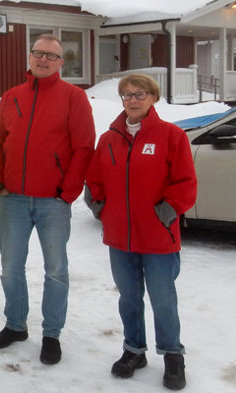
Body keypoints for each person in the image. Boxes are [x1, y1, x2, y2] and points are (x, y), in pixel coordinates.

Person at [0, 33, 95, 365]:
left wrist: (69, 192)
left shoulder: (74, 98)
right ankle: (16, 325)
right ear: (29, 58)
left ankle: (52, 334)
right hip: (14, 199)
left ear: (61, 63)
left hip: (53, 201)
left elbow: (83, 147)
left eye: (51, 56)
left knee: (56, 270)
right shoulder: (11, 97)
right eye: (38, 53)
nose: (43, 59)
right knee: (9, 268)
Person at [85, 74, 196, 391]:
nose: (133, 100)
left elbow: (185, 183)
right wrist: (102, 209)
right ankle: (134, 350)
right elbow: (95, 181)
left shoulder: (171, 136)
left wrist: (167, 211)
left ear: (153, 97)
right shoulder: (108, 140)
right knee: (129, 298)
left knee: (163, 299)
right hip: (120, 237)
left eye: (140, 94)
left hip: (159, 237)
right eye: (127, 94)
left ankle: (172, 354)